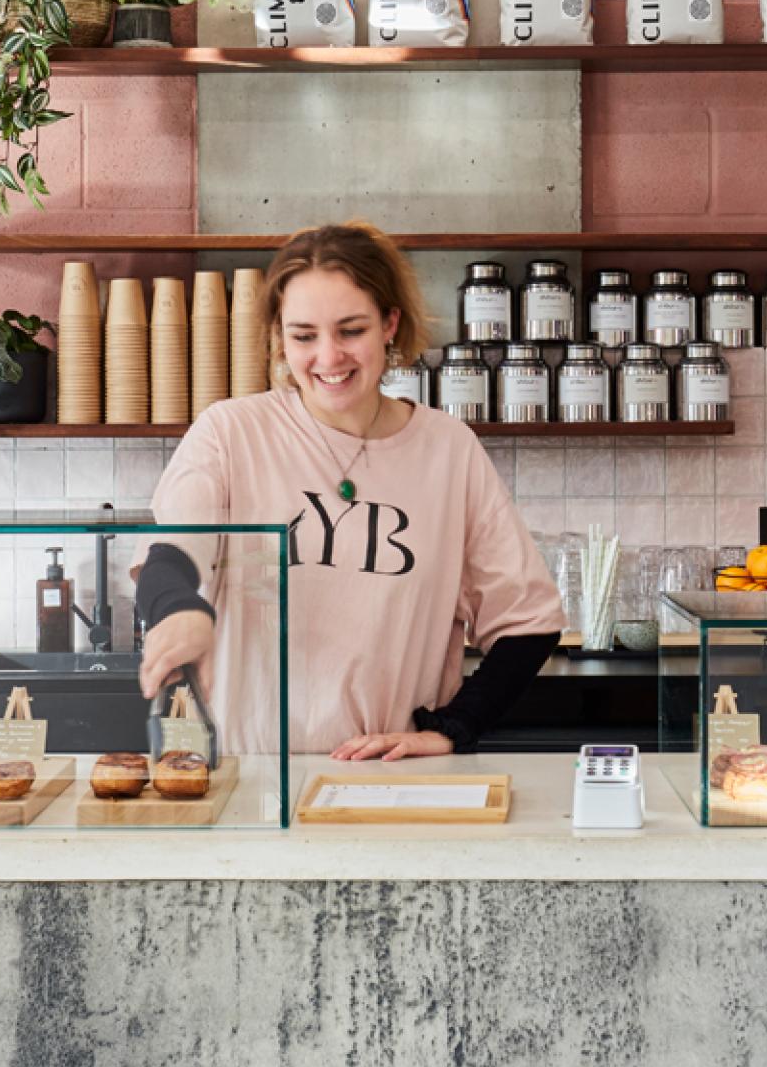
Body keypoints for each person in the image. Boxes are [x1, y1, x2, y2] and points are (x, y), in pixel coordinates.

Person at [134, 219, 564, 760]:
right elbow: (172, 554)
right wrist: (179, 610)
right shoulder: (230, 432)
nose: (328, 357)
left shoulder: (449, 450)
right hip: (255, 783)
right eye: (304, 335)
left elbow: (530, 620)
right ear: (279, 336)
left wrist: (455, 726)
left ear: (390, 323)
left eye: (351, 330)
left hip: (392, 781)